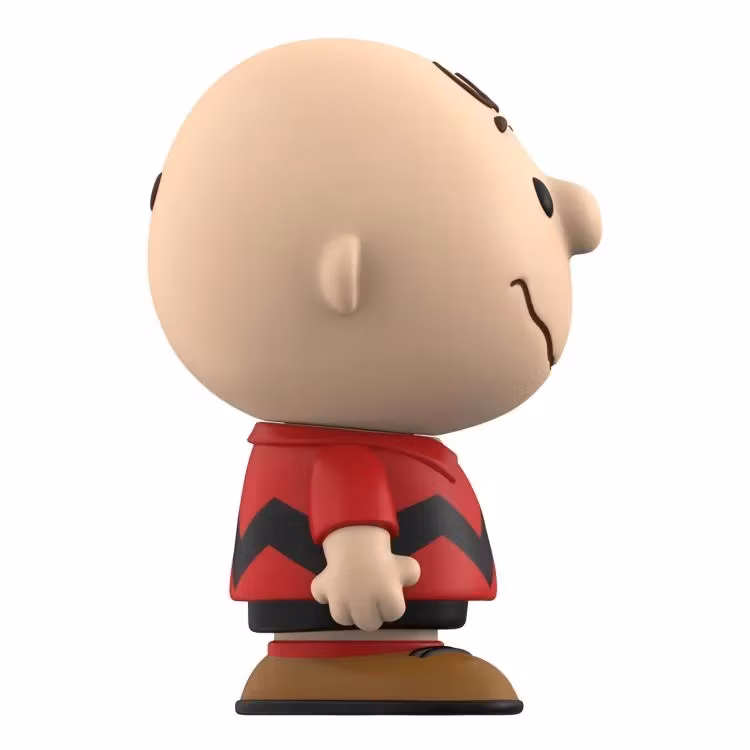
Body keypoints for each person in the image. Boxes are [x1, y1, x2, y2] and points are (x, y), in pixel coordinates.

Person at [148, 38, 602, 714]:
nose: (582, 219)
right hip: (352, 605)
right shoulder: (340, 454)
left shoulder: (353, 441)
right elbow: (347, 494)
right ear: (347, 280)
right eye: (535, 199)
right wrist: (357, 559)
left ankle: (387, 652)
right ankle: (341, 660)